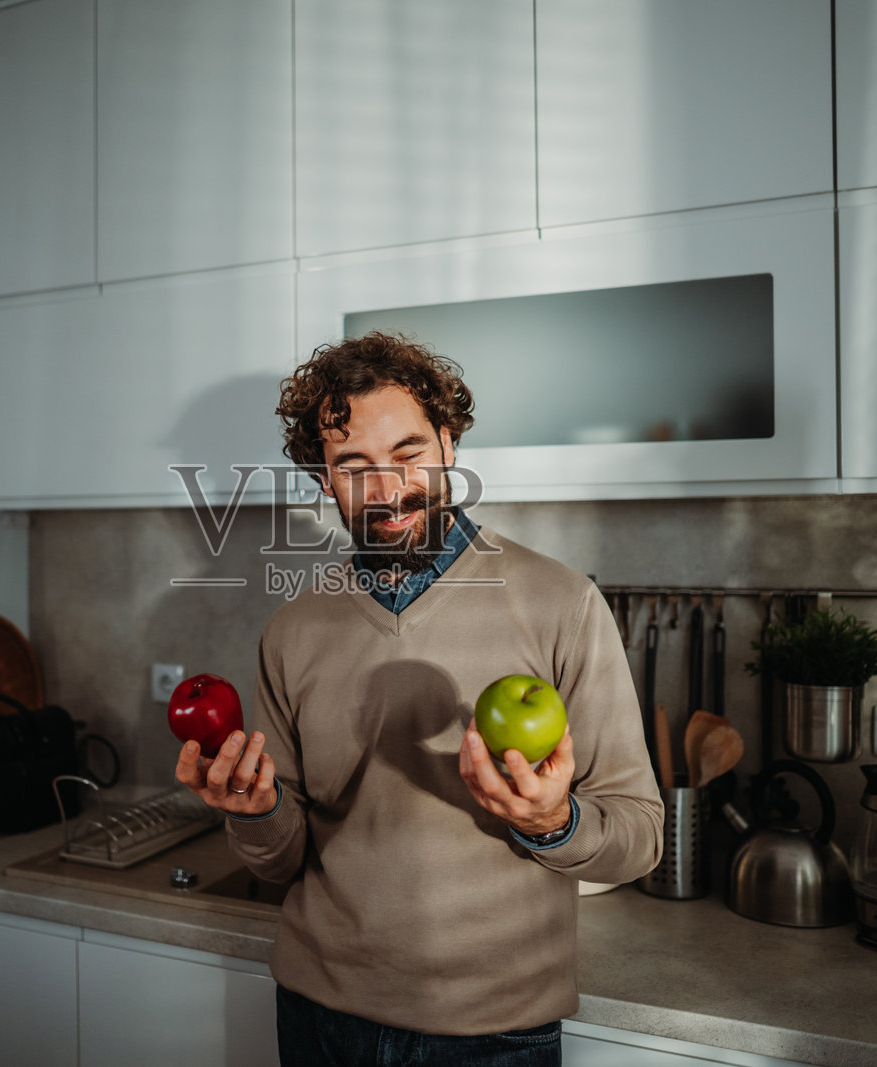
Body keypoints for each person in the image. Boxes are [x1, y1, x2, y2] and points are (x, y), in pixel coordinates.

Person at [174, 331, 663, 1066]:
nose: (388, 488)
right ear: (324, 479)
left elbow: (639, 835)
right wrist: (256, 811)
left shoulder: (562, 603)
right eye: (354, 466)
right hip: (317, 1014)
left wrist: (553, 820)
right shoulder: (292, 630)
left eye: (408, 455)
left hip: (493, 1032)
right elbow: (281, 861)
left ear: (449, 444)